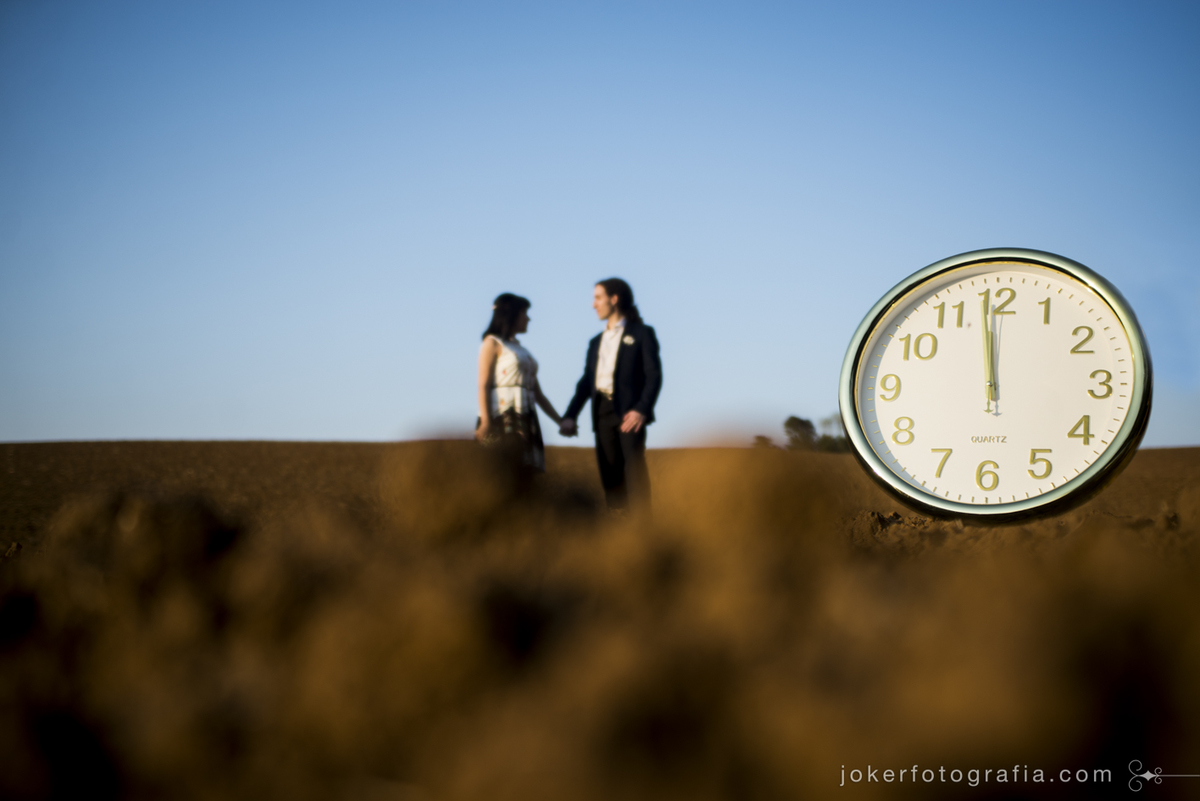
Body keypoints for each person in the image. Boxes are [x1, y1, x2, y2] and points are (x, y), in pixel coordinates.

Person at [559, 279, 662, 509]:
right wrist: (570, 415)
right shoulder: (595, 342)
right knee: (609, 472)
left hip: (629, 413)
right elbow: (586, 382)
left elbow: (653, 375)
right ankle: (616, 524)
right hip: (601, 413)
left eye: (598, 298)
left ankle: (643, 525)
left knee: (634, 473)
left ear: (614, 299)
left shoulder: (642, 333)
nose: (593, 304)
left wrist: (641, 409)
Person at [476, 293, 565, 474]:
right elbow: (483, 385)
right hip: (501, 415)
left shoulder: (522, 350)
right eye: (524, 313)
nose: (528, 319)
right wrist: (485, 421)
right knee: (502, 468)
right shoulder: (492, 343)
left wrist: (560, 421)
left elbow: (538, 394)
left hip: (525, 416)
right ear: (512, 315)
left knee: (526, 469)